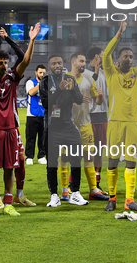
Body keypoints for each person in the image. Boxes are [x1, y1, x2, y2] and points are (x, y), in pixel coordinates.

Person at [0, 19, 40, 218]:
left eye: (6, 63)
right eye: (0, 63)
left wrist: (32, 41)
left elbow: (26, 61)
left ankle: (8, 203)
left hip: (11, 131)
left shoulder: (13, 80)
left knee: (9, 169)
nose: (4, 66)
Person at [102, 19, 137, 212]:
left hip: (133, 123)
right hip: (115, 123)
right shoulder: (111, 72)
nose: (130, 59)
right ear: (118, 60)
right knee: (112, 161)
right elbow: (107, 53)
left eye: (131, 56)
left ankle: (129, 200)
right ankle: (112, 198)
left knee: (131, 161)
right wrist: (119, 33)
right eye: (126, 56)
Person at [40, 55, 89, 208]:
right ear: (50, 66)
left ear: (63, 64)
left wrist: (72, 89)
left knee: (76, 159)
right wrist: (58, 91)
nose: (57, 65)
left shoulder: (70, 79)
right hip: (52, 127)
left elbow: (80, 100)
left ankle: (75, 193)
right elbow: (46, 104)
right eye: (54, 63)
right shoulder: (45, 82)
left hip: (69, 126)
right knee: (52, 163)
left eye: (59, 63)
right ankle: (54, 195)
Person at [66, 53, 107, 201]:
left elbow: (97, 102)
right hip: (68, 126)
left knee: (89, 157)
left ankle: (93, 189)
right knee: (66, 157)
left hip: (85, 124)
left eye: (84, 61)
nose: (84, 64)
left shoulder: (89, 78)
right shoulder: (64, 78)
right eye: (81, 61)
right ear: (73, 62)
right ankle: (66, 191)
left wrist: (100, 96)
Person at [85, 46, 108, 193]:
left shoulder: (106, 74)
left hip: (103, 117)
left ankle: (96, 184)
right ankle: (71, 186)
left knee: (99, 153)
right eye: (102, 56)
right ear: (96, 57)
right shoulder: (85, 74)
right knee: (85, 153)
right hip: (88, 118)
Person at [25, 65, 47, 165]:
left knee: (43, 137)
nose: (42, 75)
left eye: (44, 73)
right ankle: (29, 156)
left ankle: (41, 156)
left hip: (44, 114)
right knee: (30, 136)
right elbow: (31, 92)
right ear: (36, 73)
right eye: (40, 73)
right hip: (32, 114)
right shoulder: (30, 82)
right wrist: (40, 84)